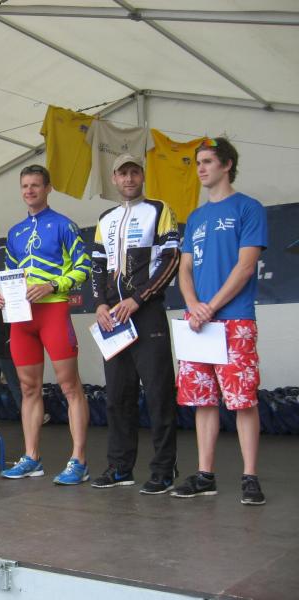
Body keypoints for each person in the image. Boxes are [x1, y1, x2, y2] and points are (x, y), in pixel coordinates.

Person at [172, 138, 268, 505]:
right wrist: (193, 304)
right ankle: (205, 475)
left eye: (208, 161)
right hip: (197, 322)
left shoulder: (248, 207)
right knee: (203, 400)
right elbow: (184, 268)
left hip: (234, 319)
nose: (201, 168)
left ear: (227, 165)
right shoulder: (196, 218)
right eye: (198, 162)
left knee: (242, 400)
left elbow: (245, 266)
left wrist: (210, 306)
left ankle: (250, 476)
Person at [90, 154, 180, 494]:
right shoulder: (106, 218)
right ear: (114, 178)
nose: (129, 179)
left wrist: (139, 298)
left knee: (158, 394)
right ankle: (119, 467)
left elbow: (171, 259)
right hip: (114, 318)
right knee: (117, 396)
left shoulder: (159, 209)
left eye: (134, 172)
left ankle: (163, 470)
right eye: (122, 173)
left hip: (146, 312)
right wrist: (100, 303)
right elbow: (97, 265)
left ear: (142, 176)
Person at [0, 165, 91, 484]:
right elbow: (9, 274)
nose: (29, 191)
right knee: (27, 388)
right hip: (22, 317)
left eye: (36, 185)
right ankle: (31, 457)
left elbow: (83, 267)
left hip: (53, 312)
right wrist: (1, 293)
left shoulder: (64, 225)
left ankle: (79, 460)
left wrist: (52, 285)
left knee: (70, 386)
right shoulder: (15, 232)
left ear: (48, 188)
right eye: (25, 186)